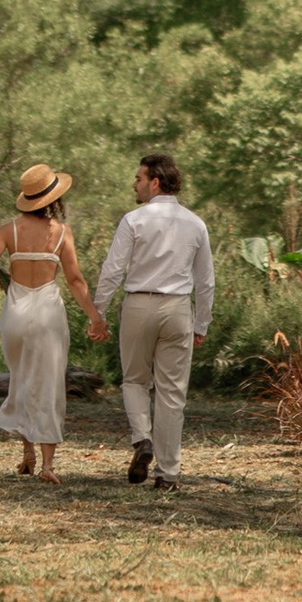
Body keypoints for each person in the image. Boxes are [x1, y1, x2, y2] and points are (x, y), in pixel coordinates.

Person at [91, 150, 214, 487]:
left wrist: (98, 313)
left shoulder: (134, 220)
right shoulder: (195, 223)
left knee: (134, 380)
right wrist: (201, 324)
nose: (135, 184)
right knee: (172, 393)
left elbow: (112, 270)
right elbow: (206, 281)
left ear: (155, 182)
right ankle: (168, 474)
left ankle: (142, 439)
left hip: (138, 306)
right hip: (177, 309)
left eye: (139, 178)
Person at [0, 165, 102, 482]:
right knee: (49, 384)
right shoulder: (61, 233)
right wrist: (95, 316)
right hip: (47, 313)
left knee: (23, 378)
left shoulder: (8, 231)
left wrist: (2, 277)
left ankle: (27, 452)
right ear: (53, 199)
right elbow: (75, 279)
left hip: (16, 313)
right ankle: (47, 465)